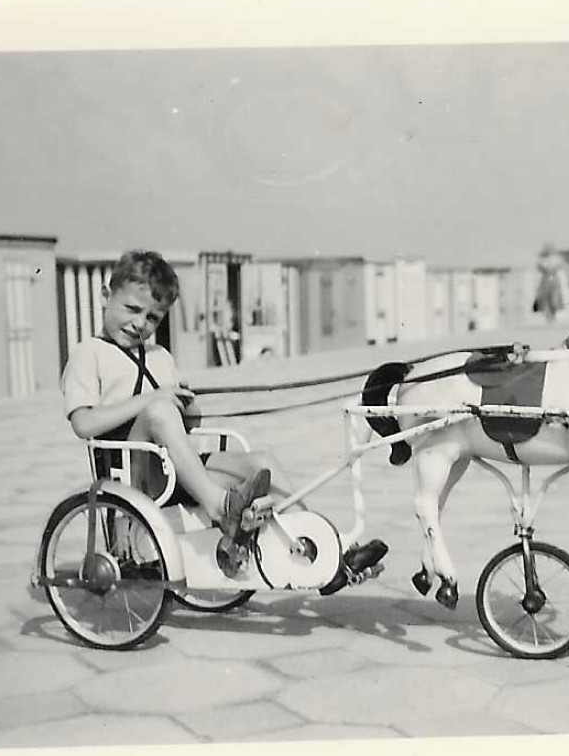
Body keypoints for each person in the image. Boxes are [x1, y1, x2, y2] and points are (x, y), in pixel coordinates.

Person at [62, 250, 384, 587]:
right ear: (104, 297)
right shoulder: (89, 354)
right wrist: (153, 400)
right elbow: (83, 423)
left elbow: (184, 427)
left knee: (261, 461)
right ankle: (220, 508)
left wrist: (187, 407)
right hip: (134, 475)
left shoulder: (160, 357)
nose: (140, 323)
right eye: (132, 309)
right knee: (158, 411)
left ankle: (322, 548)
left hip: (176, 469)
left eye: (153, 318)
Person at [534, 243, 567, 323]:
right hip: (545, 280)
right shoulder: (542, 259)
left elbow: (560, 266)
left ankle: (553, 315)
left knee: (554, 298)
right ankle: (547, 316)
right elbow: (540, 267)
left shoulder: (556, 258)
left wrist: (552, 269)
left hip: (554, 280)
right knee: (545, 298)